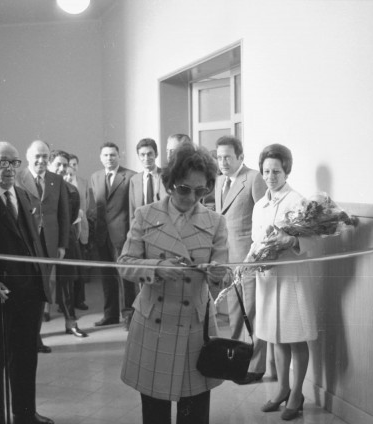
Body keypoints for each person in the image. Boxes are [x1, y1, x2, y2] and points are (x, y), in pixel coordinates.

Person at [118, 143, 229, 424]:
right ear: (170, 184)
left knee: (194, 411)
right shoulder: (145, 215)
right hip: (154, 323)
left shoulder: (215, 222)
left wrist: (217, 274)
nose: (192, 197)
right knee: (155, 412)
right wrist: (156, 268)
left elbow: (222, 274)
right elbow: (124, 264)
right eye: (184, 189)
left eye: (201, 191)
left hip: (195, 327)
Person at [0, 141, 54, 424]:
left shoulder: (23, 195)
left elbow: (30, 240)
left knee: (26, 357)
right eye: (3, 162)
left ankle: (25, 414)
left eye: (14, 163)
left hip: (30, 292)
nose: (10, 168)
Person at [253, 144, 316, 420]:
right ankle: (282, 389)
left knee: (295, 337)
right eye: (266, 171)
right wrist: (249, 262)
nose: (270, 176)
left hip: (291, 280)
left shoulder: (298, 201)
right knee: (276, 336)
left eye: (276, 171)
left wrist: (291, 240)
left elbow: (314, 241)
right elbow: (256, 241)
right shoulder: (260, 205)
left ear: (286, 171)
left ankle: (296, 394)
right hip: (267, 279)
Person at [214, 135, 268, 385]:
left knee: (252, 313)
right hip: (229, 259)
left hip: (249, 260)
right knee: (234, 314)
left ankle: (256, 368)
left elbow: (264, 220)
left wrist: (255, 256)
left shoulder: (254, 178)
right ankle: (234, 363)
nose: (223, 162)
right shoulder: (219, 181)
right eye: (219, 157)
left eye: (227, 157)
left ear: (240, 157)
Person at [15, 140, 70, 353]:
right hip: (26, 246)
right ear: (28, 157)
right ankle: (26, 336)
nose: (41, 160)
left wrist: (62, 245)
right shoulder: (17, 178)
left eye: (45, 156)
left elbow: (63, 214)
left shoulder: (57, 179)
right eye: (37, 156)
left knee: (41, 292)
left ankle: (35, 337)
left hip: (49, 246)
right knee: (26, 292)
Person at [89, 142, 136, 327]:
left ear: (119, 156)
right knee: (106, 277)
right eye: (106, 155)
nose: (109, 158)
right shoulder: (95, 177)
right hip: (102, 235)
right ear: (101, 157)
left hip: (122, 235)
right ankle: (110, 315)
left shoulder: (130, 176)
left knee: (126, 277)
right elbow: (95, 206)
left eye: (112, 155)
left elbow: (133, 207)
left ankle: (130, 316)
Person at [47, 149, 87, 337]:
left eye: (65, 165)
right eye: (58, 164)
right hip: (43, 241)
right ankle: (36, 333)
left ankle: (71, 323)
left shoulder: (72, 190)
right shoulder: (39, 186)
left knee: (67, 284)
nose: (62, 168)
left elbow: (70, 218)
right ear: (49, 164)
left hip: (66, 240)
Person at [66, 153, 93, 311]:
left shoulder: (83, 182)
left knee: (81, 268)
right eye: (69, 164)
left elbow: (86, 205)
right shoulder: (61, 183)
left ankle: (79, 300)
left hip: (81, 229)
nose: (72, 167)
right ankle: (67, 302)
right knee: (69, 270)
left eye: (75, 164)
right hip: (68, 232)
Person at [129, 138, 166, 221]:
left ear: (156, 154)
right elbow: (132, 211)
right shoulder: (134, 180)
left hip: (163, 223)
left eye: (150, 154)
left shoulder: (166, 175)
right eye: (142, 155)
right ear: (138, 156)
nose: (146, 158)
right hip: (142, 224)